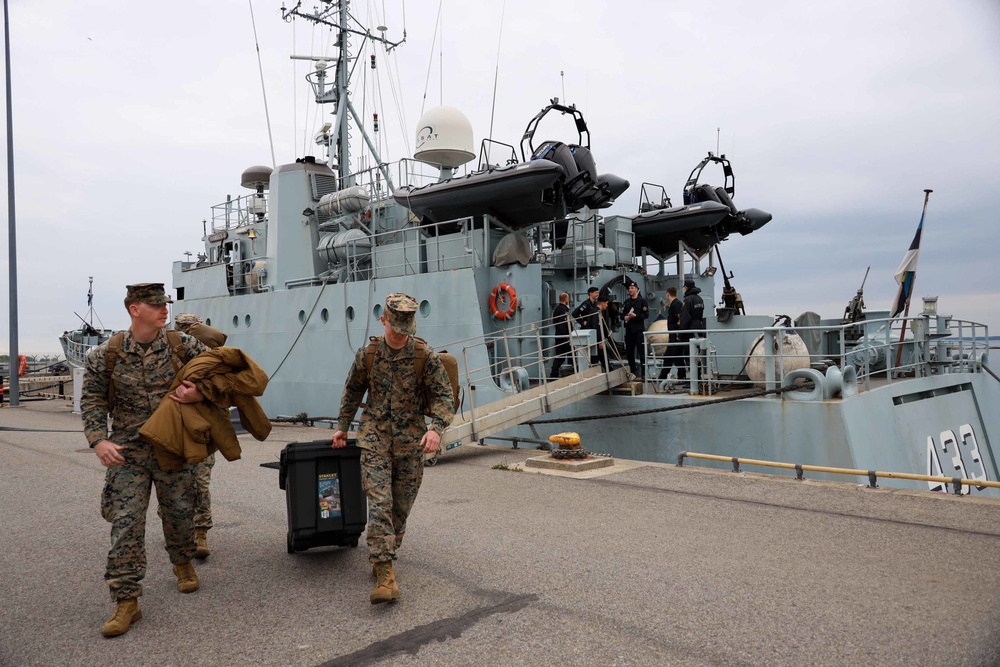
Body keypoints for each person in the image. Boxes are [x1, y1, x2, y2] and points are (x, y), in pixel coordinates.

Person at [82, 283, 208, 638]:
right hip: (128, 452)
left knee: (181, 514)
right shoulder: (105, 355)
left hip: (173, 448)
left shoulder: (182, 346)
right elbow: (92, 402)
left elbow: (221, 371)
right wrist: (98, 440)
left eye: (165, 304)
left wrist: (200, 390)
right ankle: (126, 600)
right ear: (135, 309)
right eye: (155, 305)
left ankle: (182, 561)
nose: (164, 310)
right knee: (126, 525)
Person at [331, 293, 455, 605]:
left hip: (411, 442)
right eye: (395, 327)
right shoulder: (369, 354)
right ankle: (385, 572)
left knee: (400, 508)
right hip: (375, 438)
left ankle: (388, 547)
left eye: (405, 329)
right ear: (384, 319)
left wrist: (436, 429)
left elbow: (443, 395)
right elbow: (353, 389)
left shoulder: (423, 356)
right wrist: (343, 425)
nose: (399, 334)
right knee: (380, 504)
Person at [172, 313, 227, 560]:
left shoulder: (208, 356)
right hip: (174, 426)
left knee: (199, 482)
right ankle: (179, 531)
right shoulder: (168, 353)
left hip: (201, 428)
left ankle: (200, 533)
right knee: (175, 482)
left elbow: (223, 388)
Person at [679, 278, 707, 378]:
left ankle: (693, 379)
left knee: (689, 354)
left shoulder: (688, 300)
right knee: (696, 354)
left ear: (686, 287)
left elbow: (685, 318)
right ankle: (698, 377)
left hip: (690, 329)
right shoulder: (700, 299)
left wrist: (680, 334)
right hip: (699, 327)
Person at [621, 281, 649, 379]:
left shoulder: (642, 301)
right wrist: (625, 317)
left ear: (637, 289)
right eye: (629, 288)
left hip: (638, 330)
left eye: (632, 288)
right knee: (629, 352)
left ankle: (644, 374)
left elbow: (646, 315)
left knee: (641, 352)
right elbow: (621, 314)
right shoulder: (627, 302)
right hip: (629, 330)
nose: (630, 290)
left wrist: (635, 316)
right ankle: (632, 372)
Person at [662, 286, 686, 380]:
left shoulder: (676, 304)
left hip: (675, 335)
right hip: (674, 335)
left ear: (668, 294)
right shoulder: (676, 304)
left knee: (670, 356)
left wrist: (678, 333)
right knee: (676, 357)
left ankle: (662, 377)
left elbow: (680, 318)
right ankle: (681, 376)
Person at [548, 292, 572, 380]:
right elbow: (563, 324)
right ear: (565, 299)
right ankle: (575, 371)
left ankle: (553, 374)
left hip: (559, 335)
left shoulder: (557, 309)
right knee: (571, 354)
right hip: (564, 336)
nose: (568, 300)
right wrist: (568, 336)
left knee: (560, 356)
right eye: (568, 298)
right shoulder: (563, 310)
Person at [591, 295, 611, 371]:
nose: (607, 305)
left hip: (597, 339)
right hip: (596, 340)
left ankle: (609, 371)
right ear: (602, 303)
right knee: (602, 357)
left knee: (601, 357)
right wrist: (599, 340)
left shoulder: (597, 312)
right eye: (606, 303)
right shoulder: (596, 313)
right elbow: (596, 327)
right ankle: (610, 372)